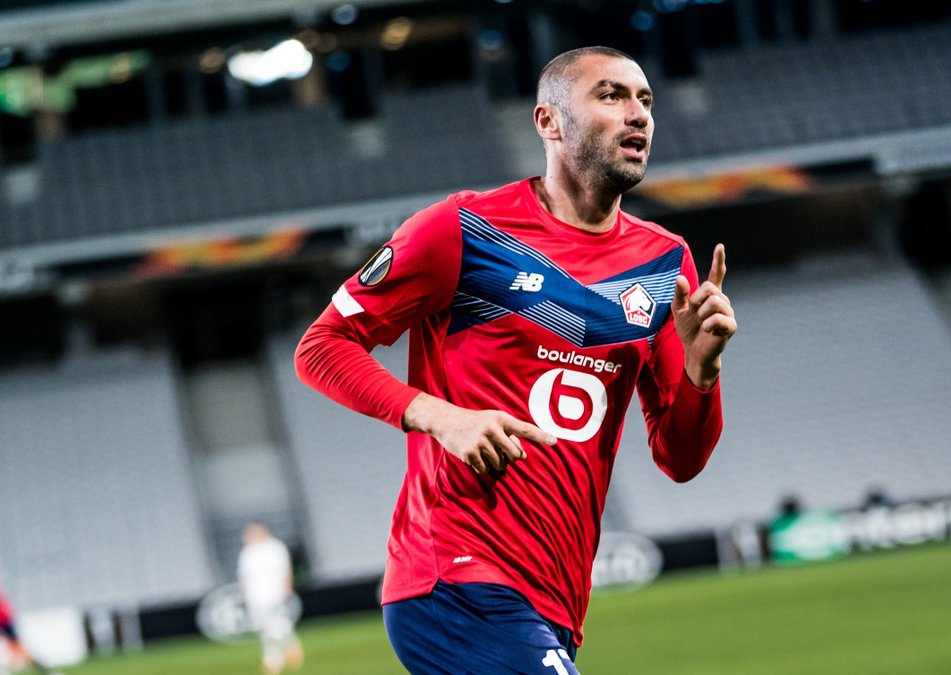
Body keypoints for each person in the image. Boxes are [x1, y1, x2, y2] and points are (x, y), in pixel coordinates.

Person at [295, 45, 735, 673]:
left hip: (554, 598)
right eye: (610, 95)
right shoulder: (462, 229)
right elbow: (321, 347)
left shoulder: (667, 262)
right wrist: (441, 417)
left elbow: (680, 458)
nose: (638, 113)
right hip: (454, 578)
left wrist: (702, 373)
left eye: (645, 100)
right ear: (548, 121)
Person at [237, 524, 303, 675]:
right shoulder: (247, 552)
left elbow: (285, 569)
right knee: (266, 626)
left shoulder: (275, 547)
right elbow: (244, 576)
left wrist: (286, 587)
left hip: (274, 592)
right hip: (255, 595)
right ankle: (288, 649)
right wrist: (245, 594)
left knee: (275, 624)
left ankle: (274, 658)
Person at [0, 580, 53, 675]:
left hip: (4, 617)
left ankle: (46, 671)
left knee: (18, 647)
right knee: (17, 647)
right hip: (5, 615)